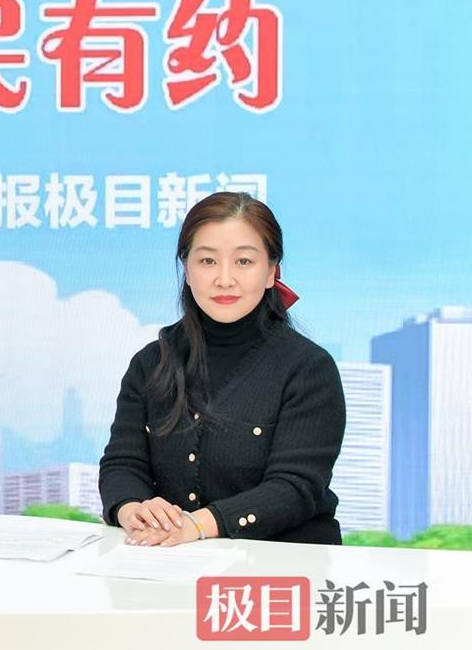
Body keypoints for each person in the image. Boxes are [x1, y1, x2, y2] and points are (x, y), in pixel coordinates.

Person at [98, 192, 345, 546]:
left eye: (244, 261)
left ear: (271, 271)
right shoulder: (150, 363)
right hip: (172, 561)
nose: (224, 279)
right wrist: (133, 509)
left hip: (285, 563)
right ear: (187, 269)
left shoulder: (309, 370)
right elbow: (122, 464)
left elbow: (295, 487)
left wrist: (197, 525)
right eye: (207, 261)